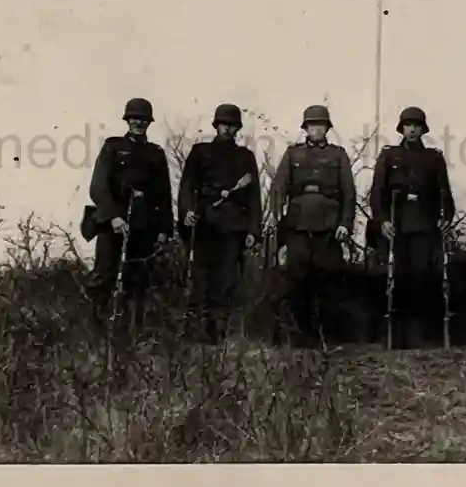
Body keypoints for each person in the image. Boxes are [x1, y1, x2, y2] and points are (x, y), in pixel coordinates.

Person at [84, 97, 175, 334]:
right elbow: (98, 187)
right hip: (112, 225)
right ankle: (97, 333)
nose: (139, 123)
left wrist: (165, 229)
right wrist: (114, 216)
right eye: (135, 118)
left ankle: (131, 334)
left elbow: (164, 194)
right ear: (127, 119)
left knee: (138, 282)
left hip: (143, 227)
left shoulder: (155, 153)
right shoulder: (112, 147)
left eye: (144, 119)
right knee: (104, 276)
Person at [268, 104, 356, 348]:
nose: (315, 129)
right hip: (297, 225)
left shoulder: (338, 155)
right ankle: (298, 337)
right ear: (305, 128)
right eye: (311, 125)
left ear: (327, 128)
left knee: (327, 283)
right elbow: (279, 187)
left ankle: (326, 338)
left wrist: (345, 224)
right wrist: (276, 215)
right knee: (296, 282)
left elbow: (349, 192)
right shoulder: (293, 154)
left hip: (328, 227)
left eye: (320, 125)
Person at [177, 103, 263, 344]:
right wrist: (187, 212)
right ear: (216, 125)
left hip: (233, 226)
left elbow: (254, 196)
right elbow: (187, 187)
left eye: (232, 125)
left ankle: (218, 334)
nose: (228, 129)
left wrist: (252, 230)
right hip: (204, 223)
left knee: (225, 281)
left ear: (238, 129)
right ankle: (195, 331)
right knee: (200, 277)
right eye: (224, 124)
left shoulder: (245, 157)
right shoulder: (200, 152)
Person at [370, 106, 455, 348]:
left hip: (425, 226)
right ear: (402, 128)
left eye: (417, 125)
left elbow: (444, 193)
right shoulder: (389, 156)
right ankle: (396, 336)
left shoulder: (434, 158)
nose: (412, 130)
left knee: (422, 278)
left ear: (423, 129)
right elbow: (377, 193)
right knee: (397, 278)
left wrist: (445, 217)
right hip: (396, 225)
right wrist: (383, 220)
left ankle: (420, 335)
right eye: (408, 125)